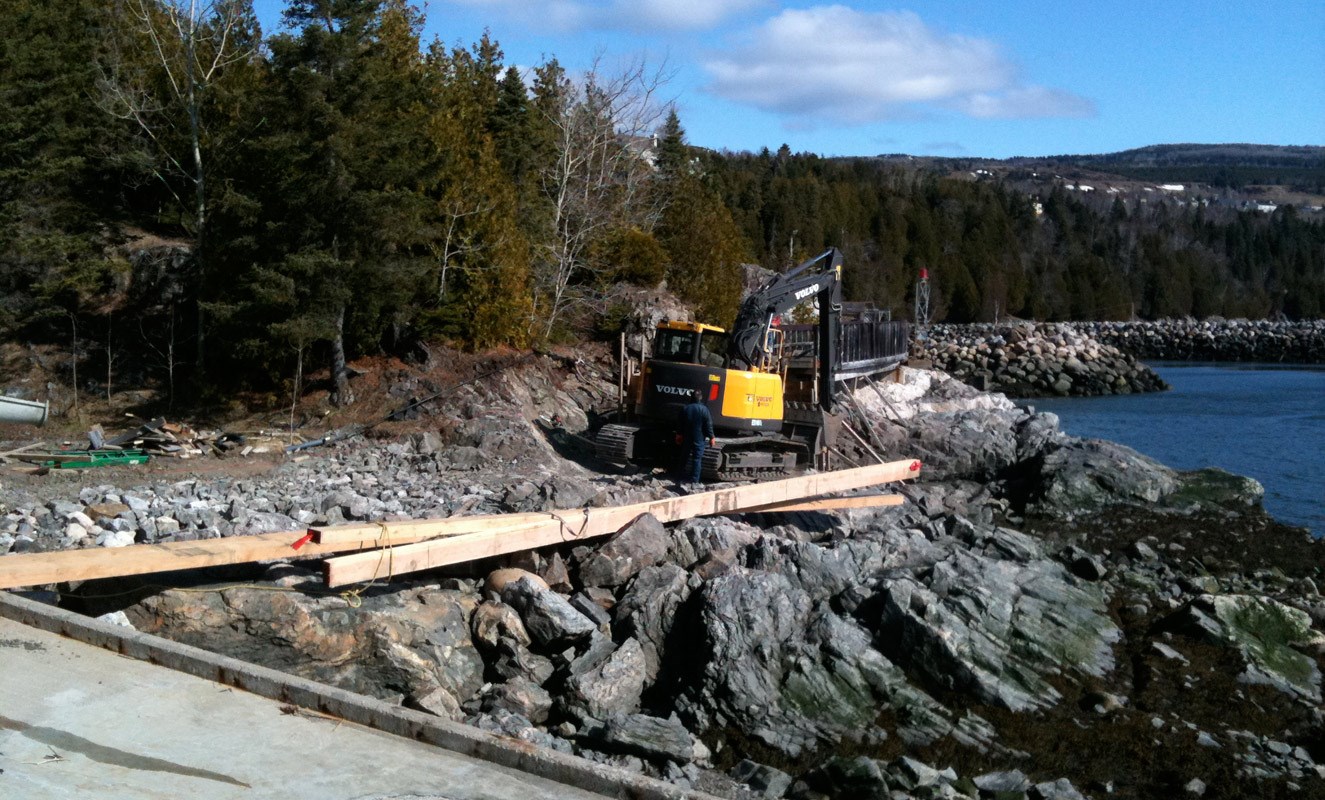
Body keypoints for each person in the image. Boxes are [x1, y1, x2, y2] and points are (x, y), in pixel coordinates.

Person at [678, 389, 716, 489]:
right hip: (699, 437)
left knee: (683, 457)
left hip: (687, 436)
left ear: (691, 397)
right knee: (697, 459)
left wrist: (679, 434)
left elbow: (680, 424)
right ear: (701, 398)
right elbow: (708, 425)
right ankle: (694, 480)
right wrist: (711, 437)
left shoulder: (686, 408)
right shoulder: (704, 409)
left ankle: (679, 476)